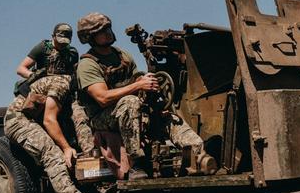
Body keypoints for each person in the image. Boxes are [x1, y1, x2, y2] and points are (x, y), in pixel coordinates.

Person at [75, 12, 206, 180]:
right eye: (101, 31)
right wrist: (138, 86)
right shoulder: (88, 64)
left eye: (108, 28)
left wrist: (149, 92)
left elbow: (138, 81)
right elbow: (103, 98)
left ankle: (199, 156)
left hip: (130, 111)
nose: (108, 32)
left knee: (167, 117)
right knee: (130, 102)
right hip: (101, 117)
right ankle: (135, 163)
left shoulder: (122, 56)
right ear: (90, 37)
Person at [4, 74, 111, 193]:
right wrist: (66, 148)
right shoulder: (62, 83)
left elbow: (81, 124)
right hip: (18, 120)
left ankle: (94, 191)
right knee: (51, 153)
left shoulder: (75, 96)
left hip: (33, 120)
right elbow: (49, 120)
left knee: (73, 152)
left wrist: (91, 156)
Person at [14, 23, 96, 155]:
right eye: (59, 40)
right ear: (53, 36)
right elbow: (21, 69)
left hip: (63, 92)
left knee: (80, 116)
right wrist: (36, 76)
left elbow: (74, 73)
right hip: (43, 90)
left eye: (65, 42)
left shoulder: (72, 53)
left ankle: (89, 152)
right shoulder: (43, 48)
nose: (62, 45)